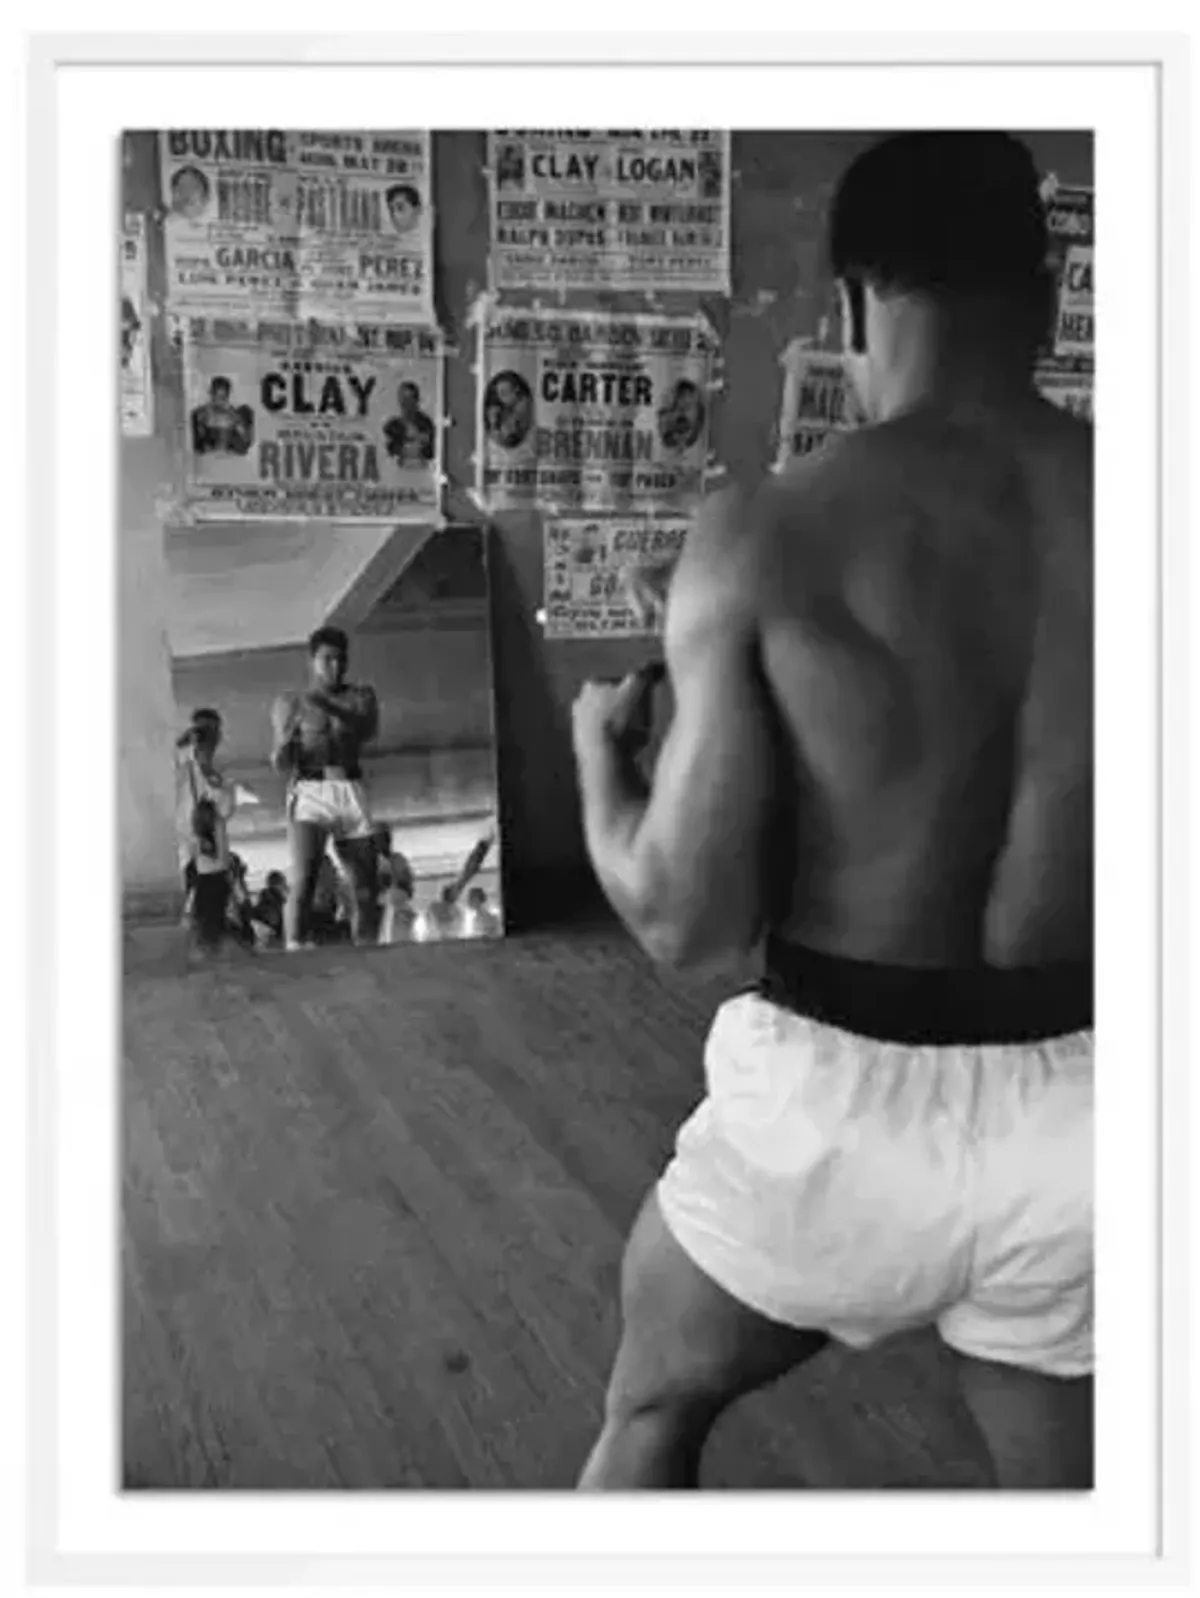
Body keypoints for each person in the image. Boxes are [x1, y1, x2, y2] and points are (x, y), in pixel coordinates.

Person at [570, 131, 1093, 1491]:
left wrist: (603, 762)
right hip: (1102, 1112)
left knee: (649, 1410)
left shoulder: (771, 530)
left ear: (849, 306)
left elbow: (685, 920)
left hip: (829, 1122)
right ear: (1047, 293)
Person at [270, 627, 382, 950]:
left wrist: (328, 706)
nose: (335, 667)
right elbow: (280, 763)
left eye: (341, 660)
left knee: (365, 886)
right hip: (311, 790)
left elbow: (366, 729)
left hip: (349, 788)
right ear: (312, 661)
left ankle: (369, 952)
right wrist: (282, 747)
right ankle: (294, 949)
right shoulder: (290, 701)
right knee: (304, 879)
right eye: (327, 660)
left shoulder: (361, 696)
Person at [175, 708, 236, 954]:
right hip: (186, 854)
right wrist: (186, 745)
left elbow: (226, 809)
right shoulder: (180, 766)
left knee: (212, 917)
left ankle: (211, 955)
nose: (206, 737)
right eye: (201, 731)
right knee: (192, 915)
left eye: (211, 731)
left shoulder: (219, 775)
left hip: (212, 857)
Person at [191, 377, 254, 457]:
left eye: (223, 397)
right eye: (216, 396)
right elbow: (198, 446)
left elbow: (246, 442)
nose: (219, 402)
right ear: (211, 394)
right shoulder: (201, 414)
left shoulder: (235, 415)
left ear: (227, 396)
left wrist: (236, 422)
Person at [382, 382, 437, 466]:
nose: (407, 406)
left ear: (417, 401)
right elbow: (387, 457)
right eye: (404, 401)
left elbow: (433, 453)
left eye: (411, 400)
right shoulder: (391, 428)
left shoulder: (426, 425)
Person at [483, 372, 534, 450]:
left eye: (504, 393)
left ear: (516, 390)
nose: (500, 398)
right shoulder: (502, 410)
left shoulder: (522, 407)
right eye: (498, 394)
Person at [656, 379, 706, 451]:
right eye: (684, 396)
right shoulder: (668, 417)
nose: (688, 400)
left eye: (690, 396)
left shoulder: (696, 411)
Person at [251, 871, 289, 949]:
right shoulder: (274, 901)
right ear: (278, 885)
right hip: (271, 943)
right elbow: (273, 920)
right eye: (284, 884)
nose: (286, 887)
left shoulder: (267, 898)